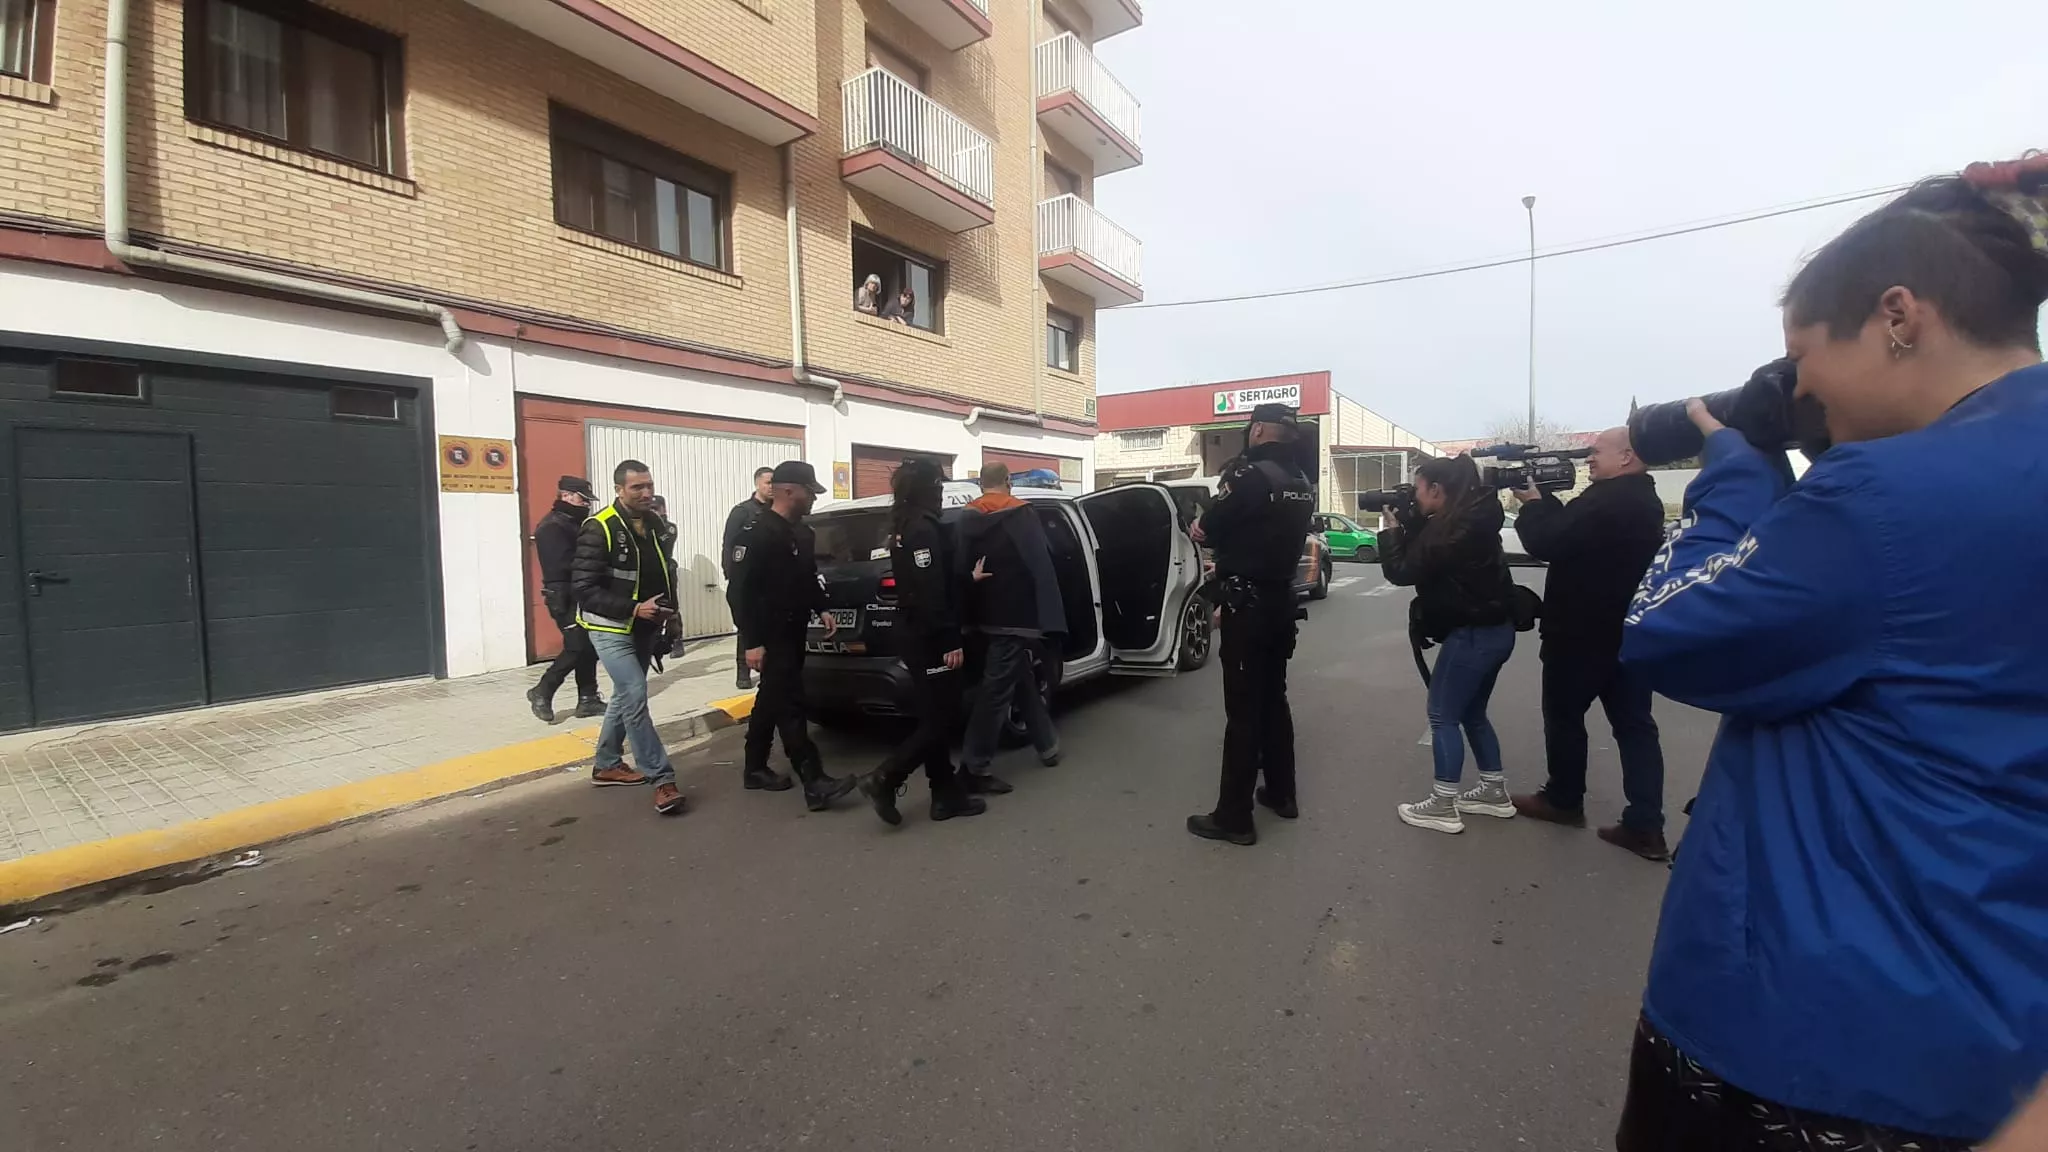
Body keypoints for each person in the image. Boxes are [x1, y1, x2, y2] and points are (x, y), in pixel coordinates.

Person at [1612, 156, 2048, 1149]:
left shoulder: (1881, 496)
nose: (1797, 388)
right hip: (2001, 1033)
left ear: (1898, 315)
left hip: (1819, 1037)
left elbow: (1667, 632)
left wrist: (1729, 469)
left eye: (1799, 354)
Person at [1506, 428, 1671, 860]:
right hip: (1628, 636)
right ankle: (1646, 824)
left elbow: (1549, 542)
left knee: (1563, 718)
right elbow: (1572, 533)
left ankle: (1563, 800)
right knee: (1635, 728)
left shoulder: (1608, 500)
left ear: (1627, 456)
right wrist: (1547, 505)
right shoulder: (1643, 500)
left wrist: (1533, 504)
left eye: (1596, 452)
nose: (1588, 459)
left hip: (1580, 635)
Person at [1184, 404, 1315, 846]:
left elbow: (1211, 528)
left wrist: (1202, 527)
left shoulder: (1248, 476)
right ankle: (1282, 793)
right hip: (1281, 603)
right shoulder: (1301, 482)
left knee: (1242, 714)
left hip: (1249, 606)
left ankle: (1234, 817)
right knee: (1274, 700)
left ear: (1257, 430)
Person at [1379, 454, 1518, 836]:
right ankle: (1493, 792)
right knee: (1473, 713)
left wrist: (1391, 529)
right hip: (1496, 630)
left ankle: (1443, 804)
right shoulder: (1472, 518)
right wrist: (1411, 523)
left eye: (1420, 490)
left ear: (1437, 490)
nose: (1417, 498)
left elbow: (1403, 571)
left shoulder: (1450, 530)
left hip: (1473, 634)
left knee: (1443, 715)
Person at [855, 457, 987, 826]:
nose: (942, 494)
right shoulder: (922, 529)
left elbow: (931, 581)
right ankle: (885, 777)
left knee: (935, 717)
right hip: (929, 637)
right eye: (939, 487)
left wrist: (965, 579)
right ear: (926, 490)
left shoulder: (906, 524)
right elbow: (929, 591)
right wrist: (949, 640)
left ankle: (945, 796)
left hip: (918, 631)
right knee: (941, 718)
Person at [727, 460, 857, 812]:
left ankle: (754, 768)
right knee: (791, 703)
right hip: (769, 634)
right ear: (788, 491)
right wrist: (752, 642)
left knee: (771, 699)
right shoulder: (756, 534)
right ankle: (814, 781)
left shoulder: (802, 532)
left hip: (794, 629)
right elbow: (739, 593)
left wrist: (823, 608)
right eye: (809, 492)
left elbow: (807, 577)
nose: (813, 498)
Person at [572, 460, 682, 812]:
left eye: (649, 485)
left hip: (646, 626)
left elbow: (666, 573)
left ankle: (606, 764)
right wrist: (634, 609)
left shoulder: (657, 526)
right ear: (619, 489)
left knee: (624, 695)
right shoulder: (599, 527)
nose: (646, 493)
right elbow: (584, 589)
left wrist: (672, 616)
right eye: (637, 487)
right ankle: (662, 779)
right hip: (610, 627)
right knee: (635, 694)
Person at [954, 462, 1066, 794]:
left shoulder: (965, 518)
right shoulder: (1021, 514)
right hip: (1015, 615)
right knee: (996, 691)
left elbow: (960, 566)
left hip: (980, 613)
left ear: (979, 483)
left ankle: (1047, 745)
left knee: (1020, 675)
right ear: (1007, 482)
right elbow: (1039, 562)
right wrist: (1049, 614)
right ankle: (974, 764)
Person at [526, 475, 607, 726]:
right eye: (583, 500)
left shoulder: (574, 523)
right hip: (564, 596)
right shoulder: (552, 526)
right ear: (567, 496)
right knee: (577, 645)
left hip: (581, 593)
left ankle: (588, 698)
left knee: (589, 645)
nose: (586, 505)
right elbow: (561, 566)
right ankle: (543, 690)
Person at [722, 466, 775, 689]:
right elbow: (729, 545)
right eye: (767, 483)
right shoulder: (742, 512)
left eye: (774, 483)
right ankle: (742, 672)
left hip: (770, 581)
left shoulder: (776, 511)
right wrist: (731, 574)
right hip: (746, 579)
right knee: (746, 627)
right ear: (757, 484)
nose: (771, 487)